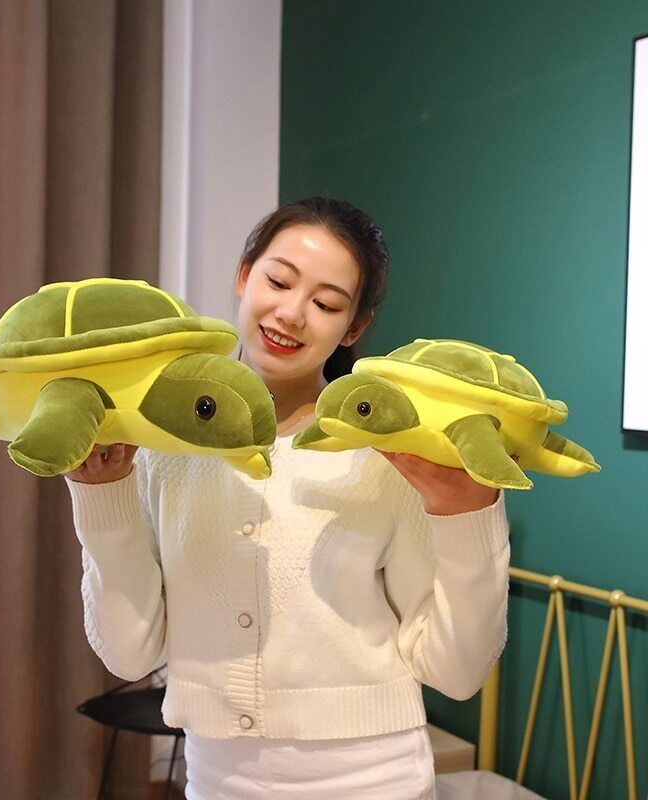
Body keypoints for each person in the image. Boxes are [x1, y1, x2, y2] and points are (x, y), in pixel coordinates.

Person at [65, 197, 510, 800]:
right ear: (244, 275)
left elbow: (455, 672)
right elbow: (128, 654)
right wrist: (100, 496)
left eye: (326, 304)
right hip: (217, 782)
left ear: (353, 328)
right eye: (278, 281)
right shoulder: (164, 446)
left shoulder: (383, 452)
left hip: (374, 782)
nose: (292, 314)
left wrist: (470, 519)